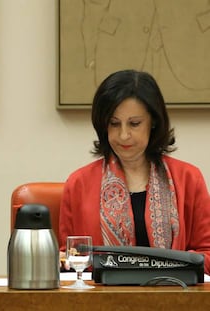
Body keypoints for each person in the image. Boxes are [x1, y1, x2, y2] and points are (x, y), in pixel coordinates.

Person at [59, 69, 210, 274]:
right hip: (101, 302)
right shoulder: (79, 183)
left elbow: (207, 254)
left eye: (134, 124)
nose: (123, 135)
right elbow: (67, 258)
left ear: (153, 122)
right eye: (114, 123)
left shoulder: (188, 178)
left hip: (174, 298)